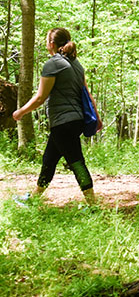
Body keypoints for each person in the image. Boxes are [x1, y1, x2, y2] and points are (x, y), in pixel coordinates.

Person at [12, 28, 99, 204]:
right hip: (74, 121)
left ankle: (93, 204)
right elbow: (88, 95)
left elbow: (40, 97)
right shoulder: (76, 64)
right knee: (49, 159)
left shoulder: (53, 64)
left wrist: (21, 111)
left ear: (51, 44)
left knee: (76, 162)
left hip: (63, 122)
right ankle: (34, 199)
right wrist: (97, 117)